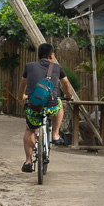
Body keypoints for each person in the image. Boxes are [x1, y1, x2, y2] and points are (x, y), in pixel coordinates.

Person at [19, 43, 76, 173]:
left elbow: (23, 84)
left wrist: (20, 96)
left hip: (34, 106)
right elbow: (66, 84)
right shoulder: (57, 67)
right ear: (52, 55)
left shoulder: (29, 66)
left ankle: (28, 161)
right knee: (60, 105)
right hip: (51, 105)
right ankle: (55, 135)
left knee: (30, 130)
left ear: (39, 55)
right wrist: (68, 96)